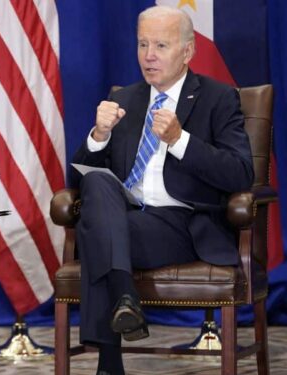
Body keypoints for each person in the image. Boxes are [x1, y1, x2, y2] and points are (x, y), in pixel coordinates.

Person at [70, 6, 253, 374]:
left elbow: (241, 173)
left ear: (187, 52)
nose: (148, 55)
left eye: (161, 45)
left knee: (97, 235)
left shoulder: (218, 98)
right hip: (125, 219)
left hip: (181, 224)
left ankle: (109, 363)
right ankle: (125, 296)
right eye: (142, 44)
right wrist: (98, 136)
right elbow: (77, 183)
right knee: (97, 184)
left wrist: (179, 140)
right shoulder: (124, 100)